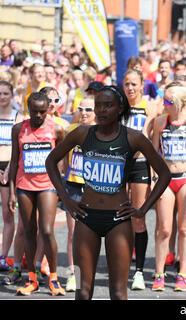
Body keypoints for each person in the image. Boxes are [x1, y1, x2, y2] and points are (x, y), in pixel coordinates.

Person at [44, 85, 171, 300]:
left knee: (118, 292)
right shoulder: (83, 133)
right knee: (83, 291)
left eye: (108, 105)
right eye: (98, 106)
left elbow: (164, 174)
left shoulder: (133, 138)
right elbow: (51, 161)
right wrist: (65, 199)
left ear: (120, 108)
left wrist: (142, 210)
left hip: (118, 219)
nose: (101, 110)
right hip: (86, 217)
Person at [8, 92, 66, 296]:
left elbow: (61, 160)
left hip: (47, 185)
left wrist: (61, 187)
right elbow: (15, 161)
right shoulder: (18, 129)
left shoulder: (56, 129)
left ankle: (54, 278)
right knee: (29, 231)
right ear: (28, 109)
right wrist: (13, 192)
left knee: (47, 231)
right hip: (24, 185)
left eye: (43, 111)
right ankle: (31, 278)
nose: (39, 115)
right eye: (35, 111)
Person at [151, 84, 186, 292]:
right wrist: (153, 179)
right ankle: (159, 273)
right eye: (163, 100)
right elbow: (154, 154)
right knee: (164, 229)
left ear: (181, 104)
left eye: (168, 102)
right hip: (166, 178)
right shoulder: (160, 122)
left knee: (184, 228)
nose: (164, 104)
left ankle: (182, 274)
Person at [122, 69, 154, 290]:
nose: (130, 88)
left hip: (140, 163)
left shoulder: (151, 106)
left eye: (134, 84)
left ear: (142, 85)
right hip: (119, 164)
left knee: (138, 216)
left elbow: (150, 137)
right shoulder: (119, 106)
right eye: (127, 84)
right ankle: (121, 264)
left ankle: (140, 272)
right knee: (119, 216)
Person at [60, 97, 96, 292]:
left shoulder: (101, 131)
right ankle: (73, 275)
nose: (83, 113)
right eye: (80, 109)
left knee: (93, 233)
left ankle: (88, 273)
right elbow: (65, 158)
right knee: (73, 234)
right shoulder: (72, 129)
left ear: (96, 112)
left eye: (88, 110)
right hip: (73, 186)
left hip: (94, 189)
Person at [0, 81, 24, 271]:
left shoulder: (18, 117)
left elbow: (18, 148)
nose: (2, 97)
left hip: (9, 167)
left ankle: (3, 256)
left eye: (6, 93)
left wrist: (8, 169)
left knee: (8, 215)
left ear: (12, 95)